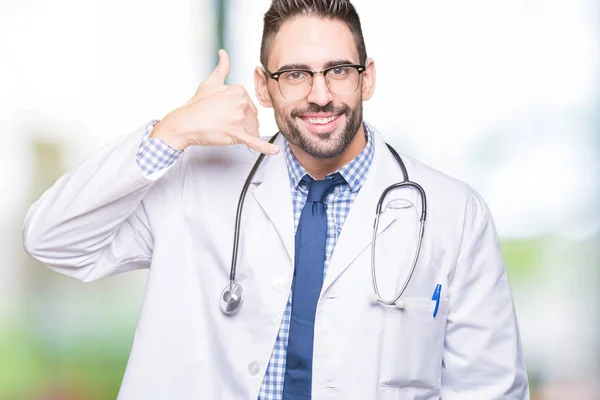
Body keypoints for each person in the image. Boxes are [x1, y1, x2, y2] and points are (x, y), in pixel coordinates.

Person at [22, 0, 530, 399]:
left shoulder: (453, 213)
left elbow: (488, 389)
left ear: (367, 77)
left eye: (338, 70)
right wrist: (168, 132)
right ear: (264, 88)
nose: (320, 94)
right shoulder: (191, 185)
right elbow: (54, 239)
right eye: (295, 75)